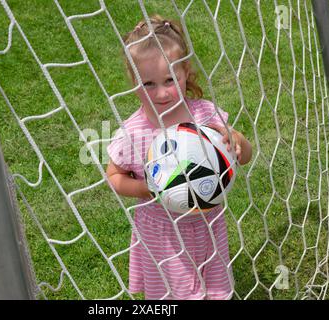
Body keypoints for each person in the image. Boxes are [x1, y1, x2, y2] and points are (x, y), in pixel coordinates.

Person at [106, 15, 252, 300]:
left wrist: (237, 141)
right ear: (132, 82)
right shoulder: (132, 131)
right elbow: (114, 176)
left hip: (208, 225)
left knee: (215, 291)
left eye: (170, 80)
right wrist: (147, 187)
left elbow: (244, 156)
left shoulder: (205, 116)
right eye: (148, 84)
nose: (161, 93)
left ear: (186, 72)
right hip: (163, 236)